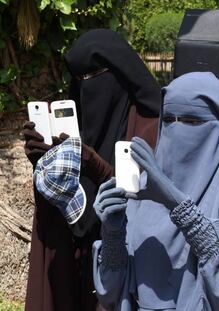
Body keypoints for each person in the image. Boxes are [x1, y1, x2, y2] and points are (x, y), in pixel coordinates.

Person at [92, 71, 219, 310]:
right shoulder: (145, 187)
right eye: (168, 120)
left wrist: (174, 201)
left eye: (193, 121)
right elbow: (113, 291)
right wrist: (112, 234)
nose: (178, 129)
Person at [23, 29, 161, 311]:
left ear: (121, 73)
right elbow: (65, 209)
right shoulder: (78, 121)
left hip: (123, 269)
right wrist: (44, 165)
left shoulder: (149, 126)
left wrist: (97, 168)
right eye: (80, 79)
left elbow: (148, 204)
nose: (87, 86)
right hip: (76, 266)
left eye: (95, 75)